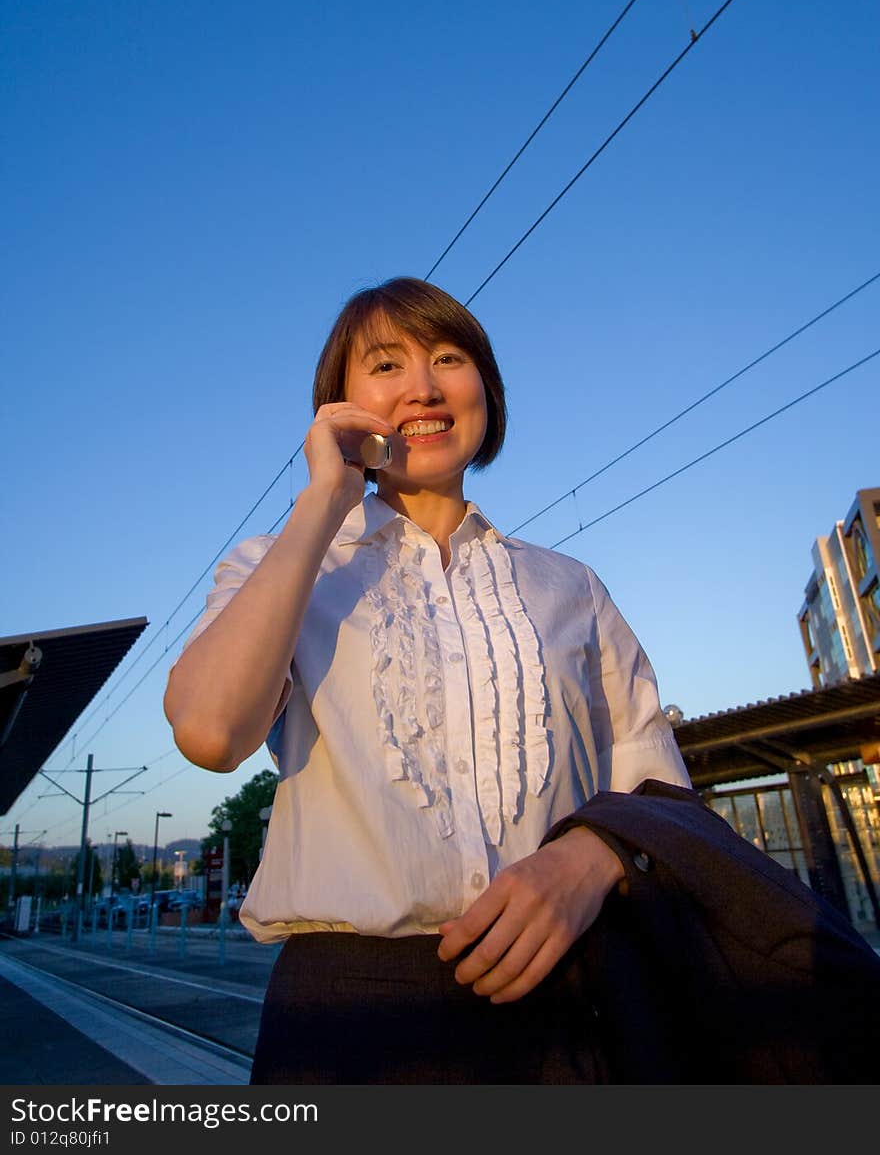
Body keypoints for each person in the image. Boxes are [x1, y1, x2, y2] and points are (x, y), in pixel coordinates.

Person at [164, 276, 880, 1084]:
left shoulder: (572, 588)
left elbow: (656, 786)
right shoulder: (278, 566)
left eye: (448, 358)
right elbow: (210, 732)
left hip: (574, 1008)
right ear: (338, 404)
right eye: (387, 366)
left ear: (487, 393)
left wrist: (592, 859)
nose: (425, 387)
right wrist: (326, 496)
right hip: (350, 1023)